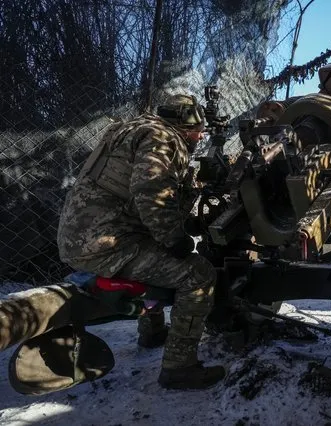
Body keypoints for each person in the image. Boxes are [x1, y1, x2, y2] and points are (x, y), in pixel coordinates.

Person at [57, 94, 226, 389]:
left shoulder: (130, 129)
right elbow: (152, 194)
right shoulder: (163, 138)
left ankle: (153, 331)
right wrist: (177, 240)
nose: (200, 136)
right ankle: (179, 367)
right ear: (184, 124)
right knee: (198, 273)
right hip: (107, 243)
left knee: (157, 253)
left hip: (81, 238)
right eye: (199, 130)